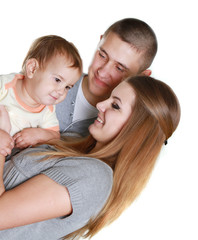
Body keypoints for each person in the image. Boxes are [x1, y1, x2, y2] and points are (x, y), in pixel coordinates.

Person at [0, 75, 180, 239]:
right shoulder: (73, 143)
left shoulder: (95, 177)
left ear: (137, 132)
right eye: (109, 97)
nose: (100, 105)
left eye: (115, 106)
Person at [56, 18, 158, 137]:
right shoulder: (51, 78)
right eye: (102, 55)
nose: (102, 72)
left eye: (119, 68)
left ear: (141, 76)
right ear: (100, 42)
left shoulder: (120, 129)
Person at [0, 35, 82, 156]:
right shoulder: (5, 85)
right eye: (58, 80)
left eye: (67, 87)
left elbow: (54, 135)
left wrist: (37, 135)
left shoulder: (47, 109)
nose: (61, 91)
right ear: (32, 69)